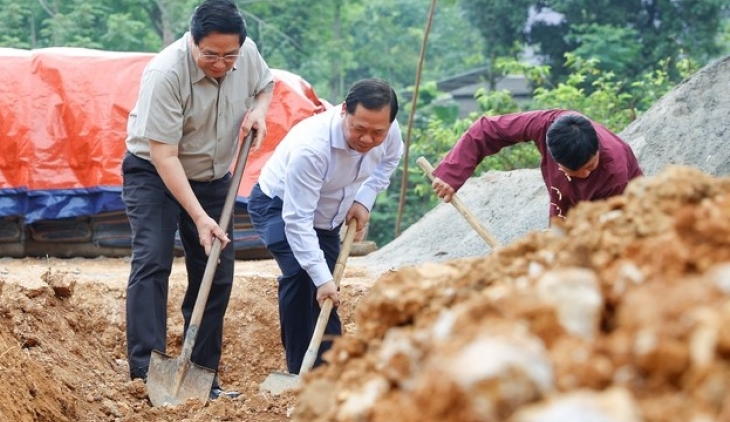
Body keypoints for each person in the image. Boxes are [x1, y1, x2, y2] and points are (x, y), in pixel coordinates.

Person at [121, 0, 274, 400]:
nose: (221, 64)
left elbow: (265, 85)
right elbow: (164, 155)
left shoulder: (246, 53)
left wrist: (259, 111)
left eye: (229, 56)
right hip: (154, 173)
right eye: (210, 55)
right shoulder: (165, 73)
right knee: (153, 259)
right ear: (192, 41)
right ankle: (145, 373)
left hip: (213, 175)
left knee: (217, 270)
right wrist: (200, 217)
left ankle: (203, 375)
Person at [247, 78, 403, 374]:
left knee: (328, 290)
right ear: (344, 110)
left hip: (328, 216)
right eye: (359, 129)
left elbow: (390, 160)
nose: (368, 139)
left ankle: (332, 370)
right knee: (302, 275)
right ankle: (300, 375)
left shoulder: (388, 132)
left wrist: (364, 199)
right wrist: (319, 277)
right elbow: (297, 220)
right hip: (279, 208)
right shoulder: (312, 148)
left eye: (377, 132)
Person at [431, 109, 643, 224]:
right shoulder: (545, 125)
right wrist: (452, 173)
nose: (587, 173)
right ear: (556, 159)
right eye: (578, 171)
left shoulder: (614, 170)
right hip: (563, 202)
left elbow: (604, 228)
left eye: (590, 165)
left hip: (620, 210)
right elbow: (487, 129)